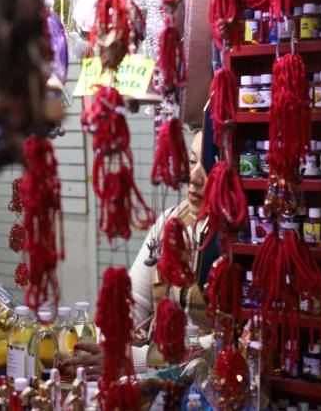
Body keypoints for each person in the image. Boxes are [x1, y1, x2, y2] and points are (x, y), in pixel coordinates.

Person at [64, 130, 214, 376]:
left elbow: (231, 342)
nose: (194, 177)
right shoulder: (171, 221)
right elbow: (134, 300)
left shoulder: (241, 244)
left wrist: (137, 359)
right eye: (192, 161)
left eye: (208, 166)